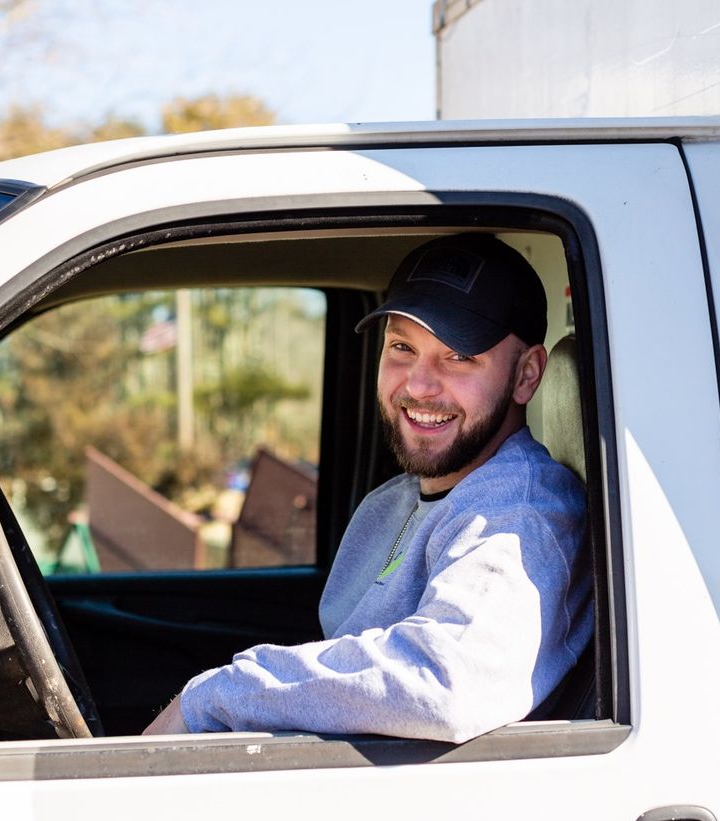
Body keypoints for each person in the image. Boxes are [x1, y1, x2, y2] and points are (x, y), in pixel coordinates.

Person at [145, 233, 592, 743]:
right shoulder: (390, 503)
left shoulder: (523, 514)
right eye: (403, 347)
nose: (419, 386)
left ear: (527, 375)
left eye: (459, 356)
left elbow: (445, 681)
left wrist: (219, 693)